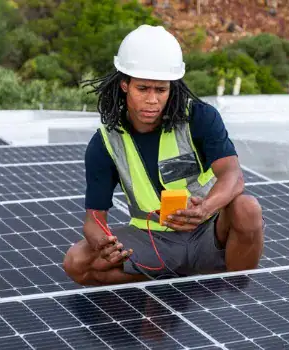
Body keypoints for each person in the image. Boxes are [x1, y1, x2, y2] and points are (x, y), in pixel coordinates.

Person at [63, 25, 265, 286]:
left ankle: (232, 285)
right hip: (152, 238)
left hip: (209, 230)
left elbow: (233, 176)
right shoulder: (105, 143)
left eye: (161, 90)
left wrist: (205, 208)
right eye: (143, 89)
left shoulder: (200, 117)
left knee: (247, 208)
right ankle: (169, 276)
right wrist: (102, 241)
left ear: (172, 87)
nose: (152, 100)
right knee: (77, 262)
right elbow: (94, 220)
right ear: (124, 84)